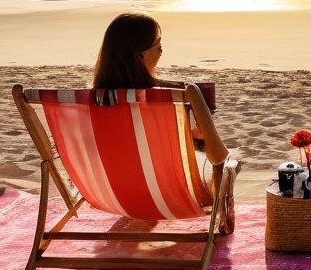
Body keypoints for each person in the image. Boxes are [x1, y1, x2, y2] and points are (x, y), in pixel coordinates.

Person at [93, 13, 228, 198]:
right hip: (171, 195)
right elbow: (219, 156)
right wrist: (205, 129)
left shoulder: (92, 102)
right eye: (158, 45)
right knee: (227, 166)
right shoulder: (182, 93)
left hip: (110, 194)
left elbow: (132, 143)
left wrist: (189, 135)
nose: (161, 51)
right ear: (141, 54)